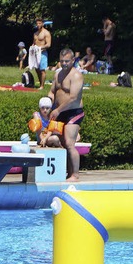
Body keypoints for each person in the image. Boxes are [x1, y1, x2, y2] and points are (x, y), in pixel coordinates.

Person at [48, 48, 85, 181]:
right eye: (62, 61)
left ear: (73, 60)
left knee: (69, 143)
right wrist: (49, 103)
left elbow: (73, 98)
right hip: (60, 112)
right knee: (59, 142)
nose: (64, 64)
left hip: (73, 112)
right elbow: (52, 91)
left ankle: (75, 174)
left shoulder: (76, 76)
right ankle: (68, 173)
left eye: (67, 61)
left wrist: (57, 110)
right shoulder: (57, 74)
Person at [28, 18, 52, 88]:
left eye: (39, 23)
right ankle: (40, 83)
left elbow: (48, 44)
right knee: (37, 69)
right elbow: (34, 43)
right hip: (35, 53)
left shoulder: (46, 33)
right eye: (37, 23)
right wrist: (32, 47)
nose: (38, 25)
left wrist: (40, 48)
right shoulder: (35, 33)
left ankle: (42, 86)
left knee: (42, 69)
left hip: (43, 53)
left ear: (42, 24)